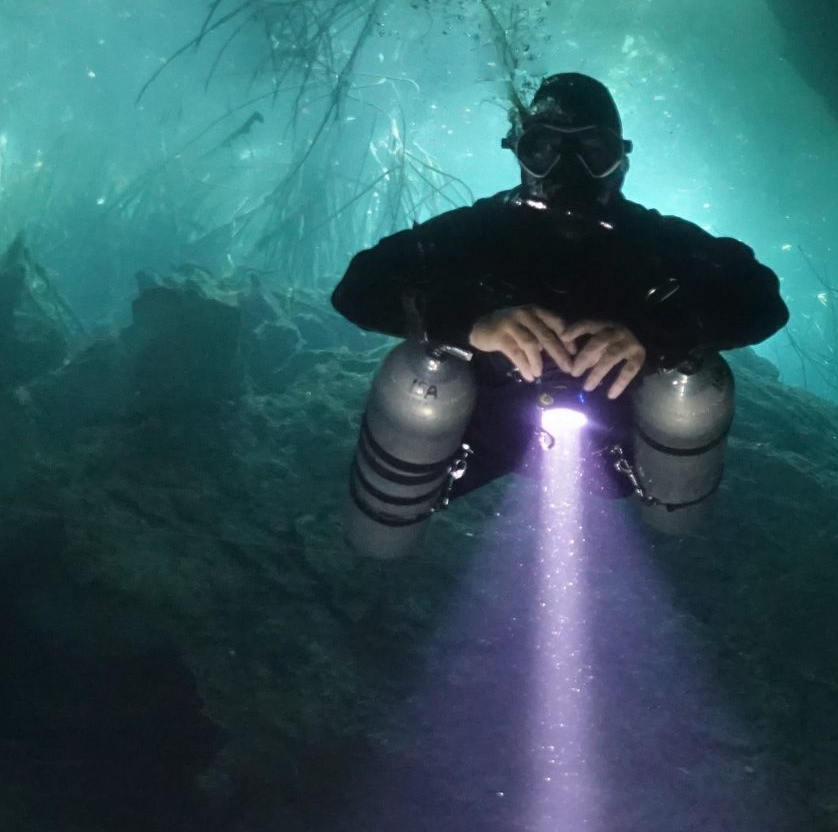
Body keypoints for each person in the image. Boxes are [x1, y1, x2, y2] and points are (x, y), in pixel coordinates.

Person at [331, 72, 788, 549]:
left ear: (620, 162)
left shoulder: (654, 241)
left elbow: (761, 298)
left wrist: (657, 335)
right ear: (520, 155)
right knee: (421, 364)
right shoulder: (479, 232)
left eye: (593, 151)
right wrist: (468, 322)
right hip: (482, 435)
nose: (569, 170)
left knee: (692, 376)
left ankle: (669, 504)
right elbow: (358, 287)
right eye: (544, 149)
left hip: (616, 448)